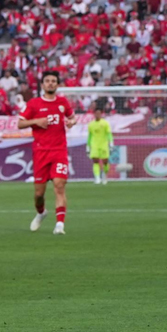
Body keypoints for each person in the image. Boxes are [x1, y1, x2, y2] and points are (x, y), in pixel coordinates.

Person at [18, 71, 75, 235]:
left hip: (59, 151)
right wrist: (36, 121)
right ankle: (41, 212)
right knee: (38, 194)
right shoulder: (34, 104)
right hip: (41, 153)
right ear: (42, 85)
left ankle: (59, 225)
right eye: (48, 81)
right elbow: (20, 124)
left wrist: (71, 122)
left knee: (59, 186)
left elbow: (72, 118)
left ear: (57, 84)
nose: (51, 83)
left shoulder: (63, 102)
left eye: (54, 81)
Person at [86, 106, 113, 185]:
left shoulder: (105, 123)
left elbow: (109, 134)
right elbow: (90, 136)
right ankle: (97, 177)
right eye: (96, 113)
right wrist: (88, 146)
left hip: (104, 145)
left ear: (101, 114)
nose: (97, 115)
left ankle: (104, 175)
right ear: (94, 114)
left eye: (99, 113)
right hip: (94, 145)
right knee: (95, 161)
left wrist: (111, 143)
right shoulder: (91, 124)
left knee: (105, 162)